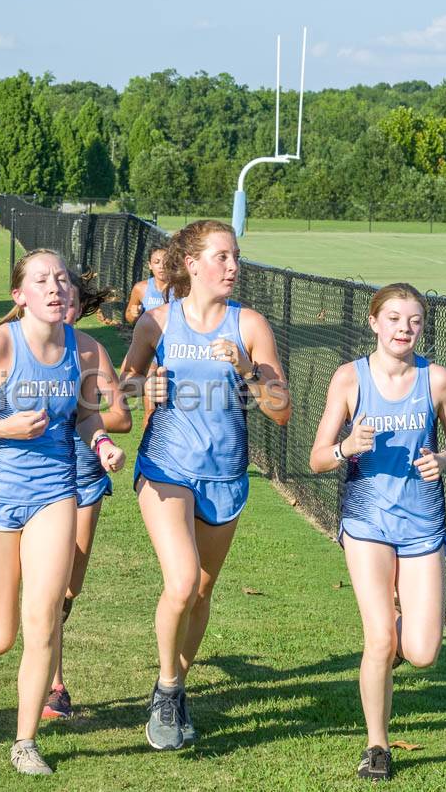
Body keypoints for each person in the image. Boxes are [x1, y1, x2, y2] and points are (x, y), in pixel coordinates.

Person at [0, 248, 126, 776]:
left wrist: (101, 443)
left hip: (54, 493)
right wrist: (1, 428)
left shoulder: (83, 351)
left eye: (61, 279)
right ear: (20, 296)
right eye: (42, 281)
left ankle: (25, 740)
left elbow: (84, 414)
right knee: (1, 634)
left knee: (45, 618)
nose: (55, 288)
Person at [118, 219, 291, 751]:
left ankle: (175, 682)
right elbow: (116, 390)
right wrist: (142, 382)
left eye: (235, 256)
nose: (233, 267)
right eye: (221, 257)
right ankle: (167, 691)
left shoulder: (250, 326)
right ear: (191, 264)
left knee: (202, 590)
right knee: (182, 581)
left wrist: (248, 370)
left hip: (225, 474)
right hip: (166, 468)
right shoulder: (157, 323)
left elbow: (282, 412)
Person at [309, 282, 446, 781]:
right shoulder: (348, 379)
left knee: (421, 652)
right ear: (374, 323)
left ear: (423, 327)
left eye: (415, 320)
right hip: (367, 522)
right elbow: (316, 458)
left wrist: (442, 458)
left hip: (422, 524)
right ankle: (376, 745)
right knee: (378, 638)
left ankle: (393, 643)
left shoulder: (436, 379)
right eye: (395, 318)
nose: (405, 328)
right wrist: (346, 446)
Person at [41, 275, 130, 720]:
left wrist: (81, 409)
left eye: (74, 305)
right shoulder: (16, 347)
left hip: (85, 471)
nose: (66, 311)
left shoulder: (93, 350)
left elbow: (121, 416)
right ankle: (53, 684)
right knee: (50, 587)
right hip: (35, 475)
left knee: (69, 586)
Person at [125, 241, 174, 427]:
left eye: (166, 261)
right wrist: (134, 313)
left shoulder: (182, 288)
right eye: (157, 261)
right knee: (151, 409)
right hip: (150, 352)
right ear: (149, 265)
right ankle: (149, 443)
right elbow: (128, 315)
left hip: (171, 350)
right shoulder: (142, 288)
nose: (162, 266)